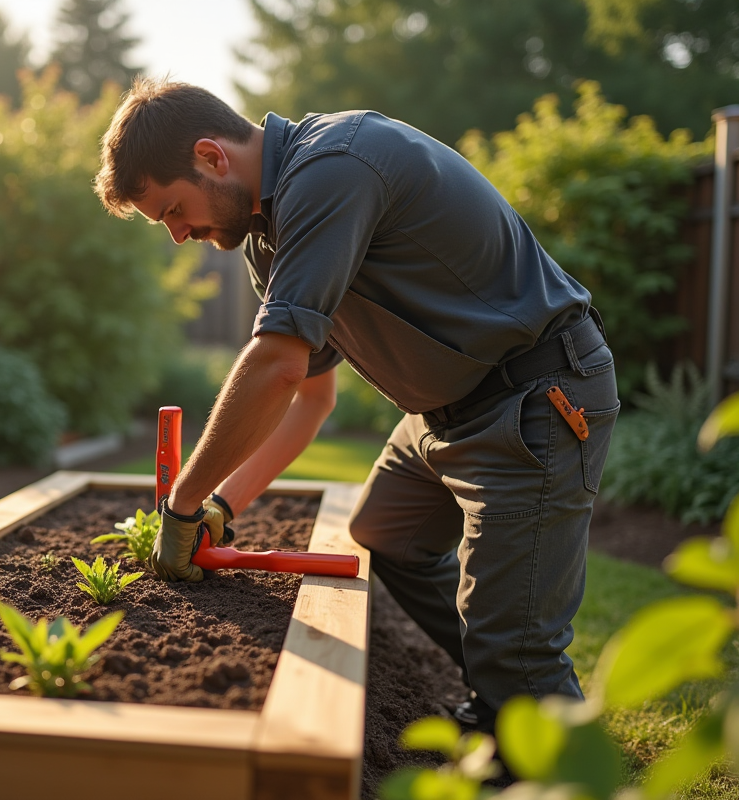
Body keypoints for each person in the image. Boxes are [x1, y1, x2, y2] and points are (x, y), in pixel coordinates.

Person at [93, 78, 619, 732]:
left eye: (172, 210)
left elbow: (276, 366)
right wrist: (224, 508)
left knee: (518, 646)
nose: (177, 235)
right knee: (386, 535)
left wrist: (183, 506)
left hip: (535, 396)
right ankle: (504, 700)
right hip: (444, 413)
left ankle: (529, 715)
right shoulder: (268, 234)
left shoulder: (333, 166)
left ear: (211, 156)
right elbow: (310, 397)